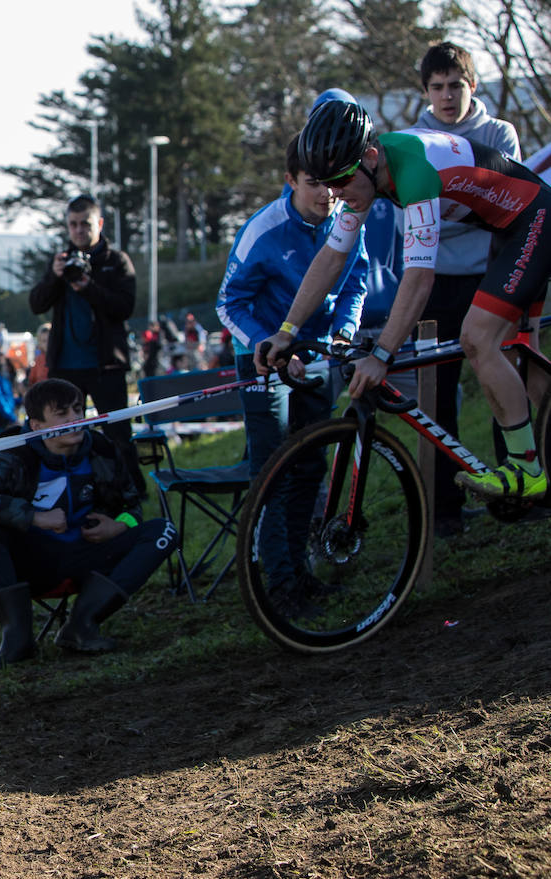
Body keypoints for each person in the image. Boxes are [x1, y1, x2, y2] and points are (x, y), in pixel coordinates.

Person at [259, 99, 551, 502]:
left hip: (533, 218)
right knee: (519, 358)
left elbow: (417, 278)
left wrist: (382, 355)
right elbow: (331, 258)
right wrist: (286, 330)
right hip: (508, 226)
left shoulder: (414, 173)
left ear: (371, 157)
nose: (336, 194)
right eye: (328, 185)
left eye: (341, 181)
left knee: (478, 338)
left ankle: (526, 469)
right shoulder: (366, 175)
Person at [218, 133, 367, 609]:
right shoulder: (263, 229)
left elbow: (357, 281)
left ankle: (300, 572)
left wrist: (342, 332)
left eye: (330, 182)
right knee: (275, 471)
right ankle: (276, 582)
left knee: (311, 466)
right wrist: (267, 342)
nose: (325, 192)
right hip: (264, 360)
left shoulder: (348, 218)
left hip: (319, 356)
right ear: (290, 182)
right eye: (312, 183)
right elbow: (227, 304)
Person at [0, 378, 178, 668]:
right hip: (32, 562)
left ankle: (82, 624)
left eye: (78, 410)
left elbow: (132, 503)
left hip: (88, 552)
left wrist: (120, 525)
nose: (74, 420)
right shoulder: (16, 454)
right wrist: (35, 517)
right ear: (36, 425)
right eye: (62, 414)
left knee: (164, 530)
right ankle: (17, 640)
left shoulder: (100, 447)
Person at [412, 42, 523, 535]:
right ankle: (444, 511)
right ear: (426, 91)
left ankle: (517, 492)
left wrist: (452, 213)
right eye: (437, 87)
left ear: (471, 85)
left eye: (455, 85)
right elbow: (413, 224)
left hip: (490, 274)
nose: (447, 96)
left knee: (503, 380)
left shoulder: (499, 134)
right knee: (437, 396)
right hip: (432, 281)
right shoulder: (412, 139)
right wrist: (471, 209)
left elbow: (507, 210)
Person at [29, 195, 141, 486]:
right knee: (62, 435)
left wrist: (88, 287)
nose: (79, 230)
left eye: (85, 224)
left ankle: (131, 492)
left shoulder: (116, 261)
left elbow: (124, 307)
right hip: (66, 367)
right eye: (73, 225)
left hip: (106, 365)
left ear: (99, 224)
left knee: (117, 434)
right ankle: (68, 487)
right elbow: (36, 305)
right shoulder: (61, 262)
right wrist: (55, 277)